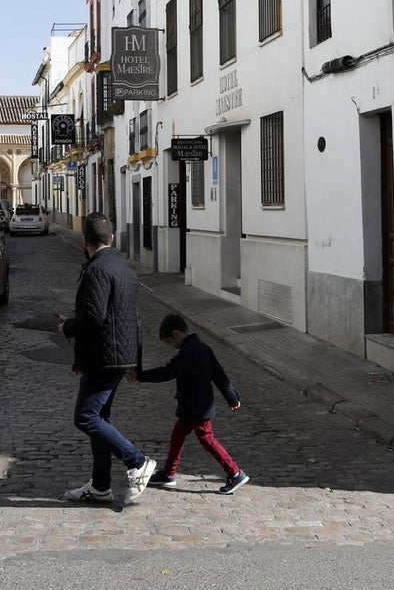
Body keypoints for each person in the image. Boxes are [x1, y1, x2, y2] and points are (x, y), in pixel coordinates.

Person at [56, 212, 156, 505]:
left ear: (85, 240)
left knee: (86, 417)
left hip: (104, 356)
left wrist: (67, 327)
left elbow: (93, 317)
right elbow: (134, 318)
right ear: (111, 237)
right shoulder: (125, 268)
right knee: (100, 418)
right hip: (117, 355)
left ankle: (137, 461)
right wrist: (135, 362)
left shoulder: (97, 270)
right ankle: (101, 486)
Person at [136, 313, 249, 495]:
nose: (171, 346)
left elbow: (167, 372)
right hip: (194, 406)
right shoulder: (204, 348)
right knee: (178, 435)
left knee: (207, 439)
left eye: (169, 342)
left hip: (197, 407)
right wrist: (232, 396)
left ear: (176, 334)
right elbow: (219, 374)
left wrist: (141, 376)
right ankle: (169, 473)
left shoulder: (187, 353)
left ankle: (235, 472)